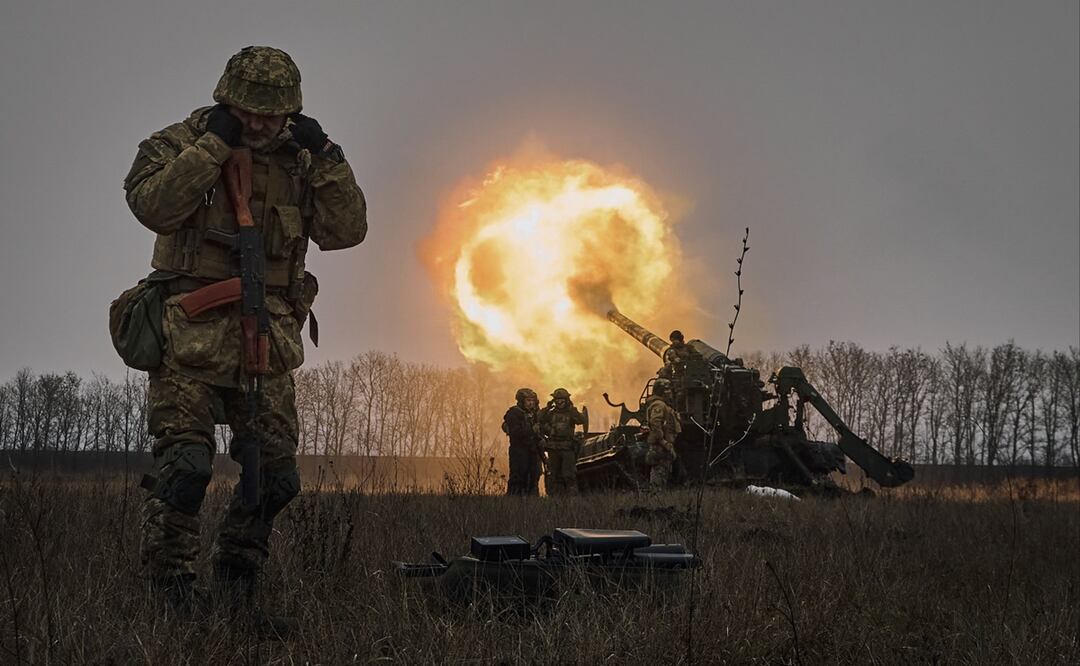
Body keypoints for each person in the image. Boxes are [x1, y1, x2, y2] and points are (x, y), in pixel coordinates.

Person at [123, 46, 367, 626]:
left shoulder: (304, 160)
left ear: (292, 112)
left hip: (267, 339)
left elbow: (347, 230)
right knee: (184, 469)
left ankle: (237, 578)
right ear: (225, 100)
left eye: (273, 114)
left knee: (276, 478)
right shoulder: (179, 142)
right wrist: (211, 148)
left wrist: (329, 156)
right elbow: (152, 205)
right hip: (190, 338)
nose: (259, 124)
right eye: (248, 112)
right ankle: (171, 591)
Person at [539, 388, 585, 495]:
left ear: (567, 400)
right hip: (553, 448)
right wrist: (547, 408)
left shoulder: (571, 413)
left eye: (562, 400)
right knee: (554, 475)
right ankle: (556, 498)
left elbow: (582, 420)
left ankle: (571, 498)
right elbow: (539, 419)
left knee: (568, 475)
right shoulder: (550, 413)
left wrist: (574, 410)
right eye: (557, 400)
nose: (559, 402)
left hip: (567, 448)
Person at [502, 388, 543, 495]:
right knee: (518, 478)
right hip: (519, 451)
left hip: (533, 450)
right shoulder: (514, 413)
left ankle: (533, 503)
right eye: (528, 400)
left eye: (532, 400)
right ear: (521, 401)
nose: (531, 403)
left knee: (535, 476)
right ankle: (515, 503)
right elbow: (515, 433)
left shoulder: (535, 414)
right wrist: (531, 430)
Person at [644, 378, 682, 490]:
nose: (671, 392)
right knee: (658, 476)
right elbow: (655, 423)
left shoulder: (663, 405)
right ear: (662, 391)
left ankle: (658, 500)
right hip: (660, 447)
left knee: (664, 474)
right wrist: (664, 442)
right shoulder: (659, 405)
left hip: (664, 447)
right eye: (668, 390)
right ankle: (655, 500)